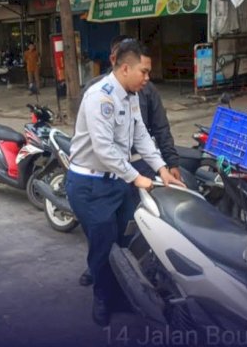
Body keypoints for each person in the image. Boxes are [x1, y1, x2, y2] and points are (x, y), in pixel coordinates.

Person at [66, 40, 184, 326]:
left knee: (120, 242)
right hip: (91, 185)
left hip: (116, 181)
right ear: (126, 68)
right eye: (144, 72)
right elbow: (104, 149)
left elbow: (141, 135)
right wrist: (137, 177)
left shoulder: (130, 96)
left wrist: (161, 168)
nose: (147, 78)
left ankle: (117, 294)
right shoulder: (100, 97)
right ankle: (103, 298)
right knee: (103, 245)